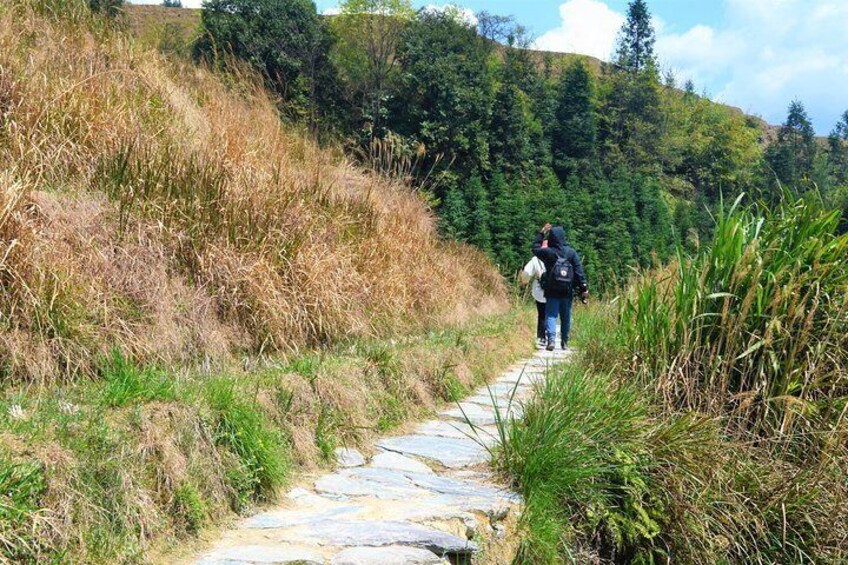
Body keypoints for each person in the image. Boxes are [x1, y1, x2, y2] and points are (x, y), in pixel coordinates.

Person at [532, 223, 588, 351]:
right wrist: (584, 288)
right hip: (567, 291)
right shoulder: (571, 253)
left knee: (551, 315)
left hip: (552, 290)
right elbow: (579, 272)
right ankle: (565, 342)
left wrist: (541, 233)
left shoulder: (548, 252)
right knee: (566, 317)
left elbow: (535, 248)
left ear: (552, 237)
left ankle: (551, 340)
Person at [520, 242, 548, 347]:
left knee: (541, 313)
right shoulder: (556, 255)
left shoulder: (535, 259)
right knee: (550, 314)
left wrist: (523, 282)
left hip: (539, 289)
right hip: (553, 289)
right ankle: (551, 336)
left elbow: (526, 273)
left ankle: (541, 337)